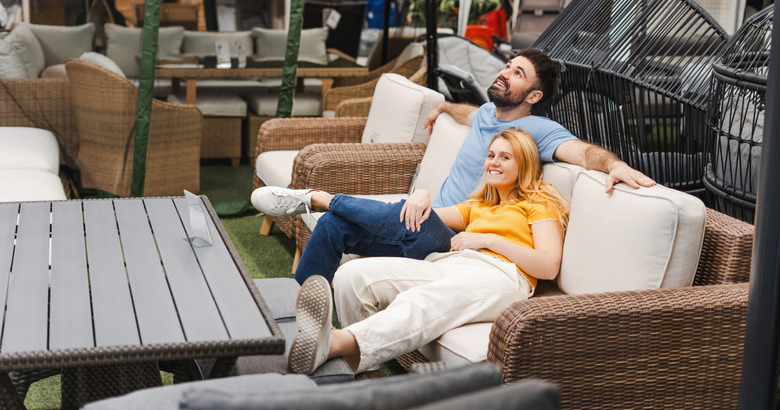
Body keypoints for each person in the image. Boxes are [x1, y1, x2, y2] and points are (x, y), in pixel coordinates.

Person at [251, 48, 655, 285]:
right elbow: (470, 115)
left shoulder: (538, 131)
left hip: (454, 236)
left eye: (517, 73)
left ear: (533, 95)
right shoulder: (487, 113)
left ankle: (318, 197)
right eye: (507, 65)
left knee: (387, 213)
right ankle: (295, 312)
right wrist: (444, 106)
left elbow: (584, 153)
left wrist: (614, 165)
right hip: (424, 222)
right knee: (332, 227)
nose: (504, 72)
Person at [286, 128, 568, 375]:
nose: (493, 162)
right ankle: (364, 372)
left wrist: (487, 240)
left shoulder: (539, 202)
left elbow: (548, 266)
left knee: (420, 300)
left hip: (502, 275)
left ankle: (335, 343)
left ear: (524, 163)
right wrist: (421, 194)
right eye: (491, 155)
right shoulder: (479, 205)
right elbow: (416, 218)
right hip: (452, 262)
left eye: (505, 157)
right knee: (352, 275)